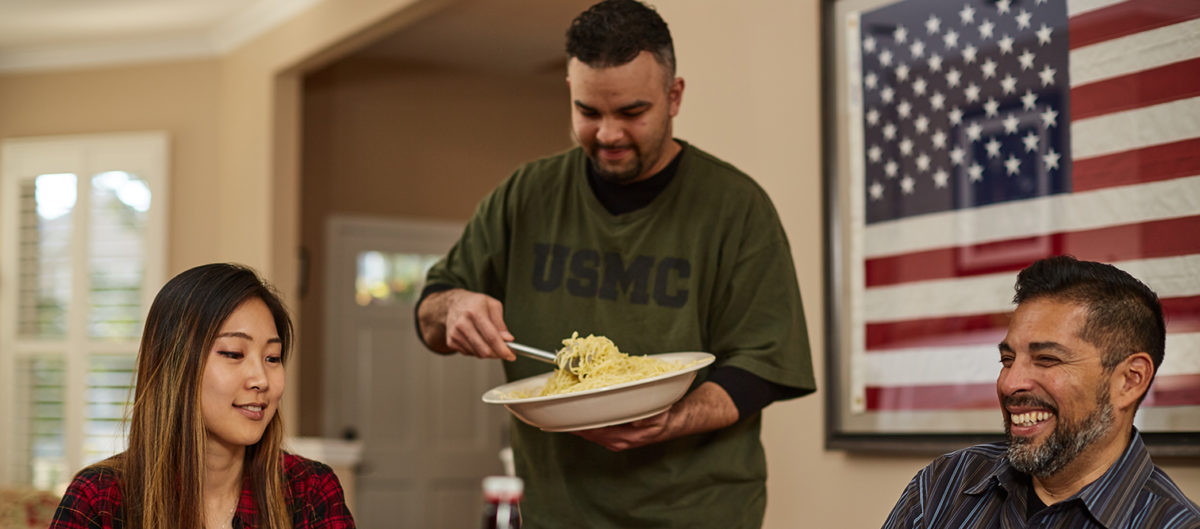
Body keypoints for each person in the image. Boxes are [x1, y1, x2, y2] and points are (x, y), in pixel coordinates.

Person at [413, 0, 816, 527]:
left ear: (674, 97)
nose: (607, 134)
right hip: (554, 513)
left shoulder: (736, 207)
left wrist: (668, 420)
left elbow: (762, 367)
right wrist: (454, 308)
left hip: (699, 512)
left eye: (631, 112)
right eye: (588, 112)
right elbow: (430, 315)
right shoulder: (525, 195)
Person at [882, 256, 1200, 529]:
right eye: (1007, 360)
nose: (1009, 383)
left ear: (1129, 381)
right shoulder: (942, 485)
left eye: (1046, 359)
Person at [50, 263, 356, 529]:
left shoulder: (311, 489)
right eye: (234, 353)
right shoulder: (98, 499)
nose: (261, 380)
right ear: (175, 366)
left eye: (272, 358)